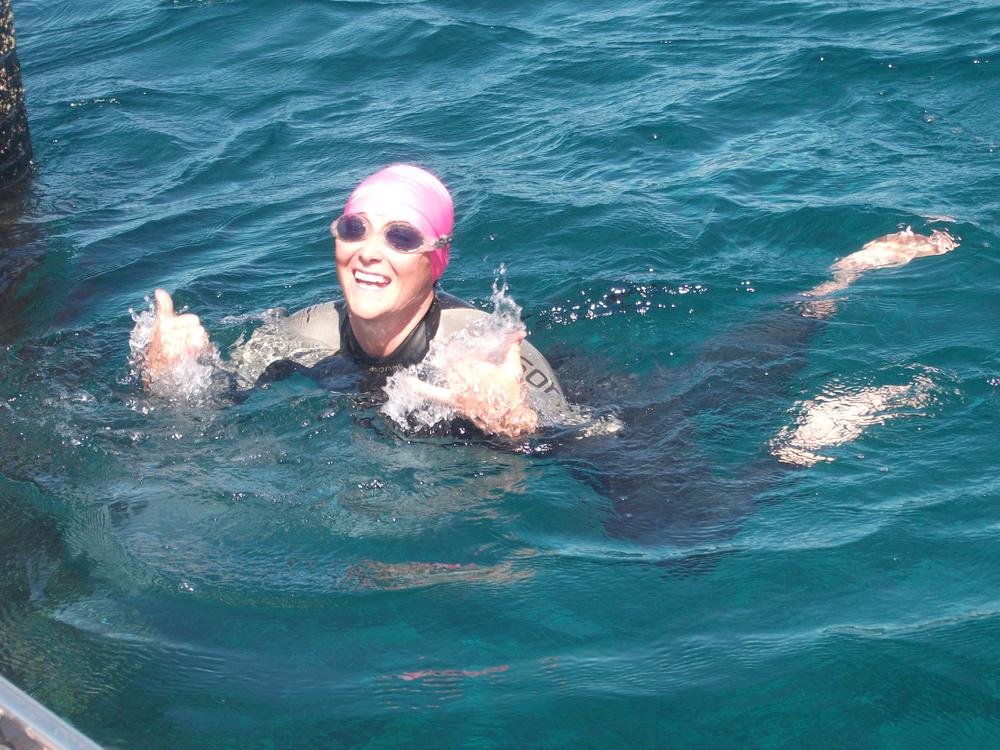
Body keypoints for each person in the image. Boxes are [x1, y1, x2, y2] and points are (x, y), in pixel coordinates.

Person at [141, 164, 563, 438]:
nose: (368, 252)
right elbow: (209, 418)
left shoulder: (487, 353)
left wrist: (516, 427)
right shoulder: (303, 334)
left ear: (436, 259)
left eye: (401, 237)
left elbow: (587, 454)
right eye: (354, 229)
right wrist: (170, 376)